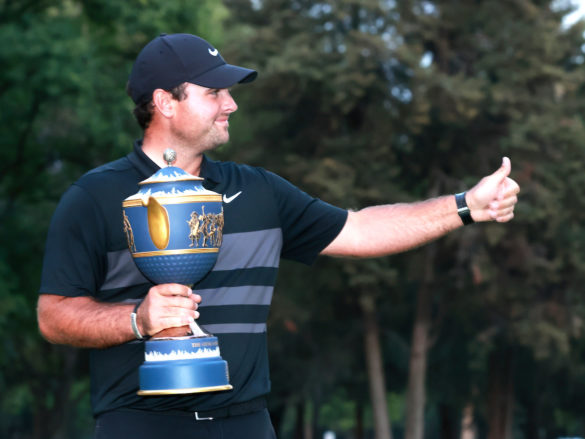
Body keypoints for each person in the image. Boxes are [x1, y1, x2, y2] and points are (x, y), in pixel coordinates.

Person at [37, 33, 519, 439]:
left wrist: (464, 206)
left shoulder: (261, 191)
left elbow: (360, 228)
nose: (232, 103)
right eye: (214, 93)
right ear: (165, 102)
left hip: (246, 423)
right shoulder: (94, 197)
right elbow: (54, 315)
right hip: (138, 425)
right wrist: (136, 321)